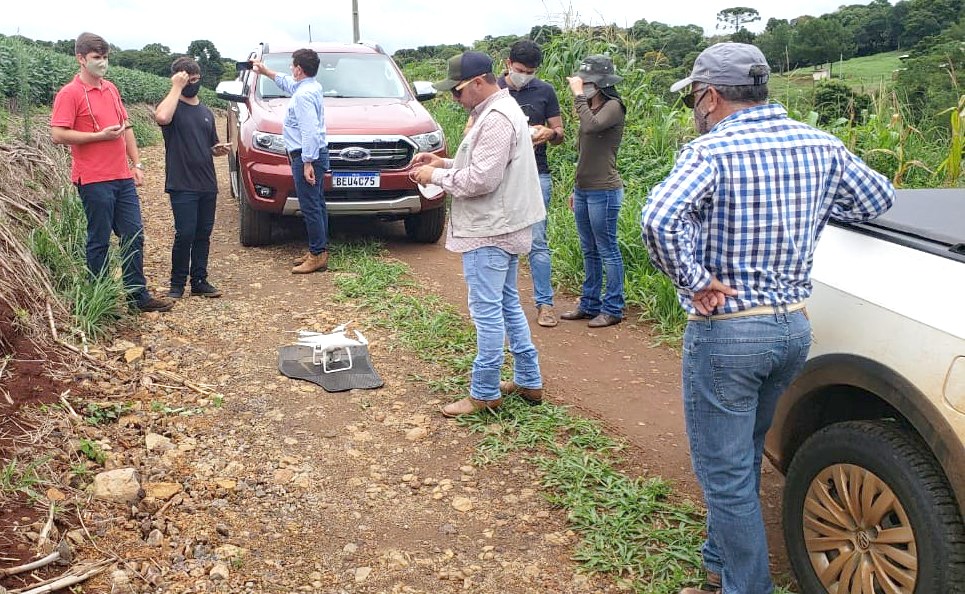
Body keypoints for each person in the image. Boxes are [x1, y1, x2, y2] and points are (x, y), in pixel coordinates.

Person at [639, 43, 895, 594]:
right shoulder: (820, 145)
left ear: (709, 95)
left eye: (694, 98)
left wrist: (695, 280)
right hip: (792, 328)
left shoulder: (711, 151)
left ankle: (744, 586)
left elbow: (659, 217)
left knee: (724, 474)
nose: (694, 109)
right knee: (746, 452)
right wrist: (815, 209)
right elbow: (878, 199)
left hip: (729, 330)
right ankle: (718, 564)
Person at [409, 51, 545, 417]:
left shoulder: (497, 117)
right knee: (507, 304)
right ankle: (528, 379)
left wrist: (434, 176)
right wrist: (443, 163)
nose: (455, 99)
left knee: (486, 312)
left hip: (491, 230)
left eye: (457, 92)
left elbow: (483, 179)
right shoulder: (498, 110)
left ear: (479, 82)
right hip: (504, 225)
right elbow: (483, 165)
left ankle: (484, 391)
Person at [50, 32, 174, 313]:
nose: (102, 63)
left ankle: (136, 296)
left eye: (105, 57)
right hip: (93, 179)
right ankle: (100, 299)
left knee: (133, 234)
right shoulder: (69, 94)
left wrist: (137, 163)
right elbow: (58, 134)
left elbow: (125, 126)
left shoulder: (111, 88)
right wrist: (98, 136)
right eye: (96, 58)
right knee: (99, 240)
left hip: (122, 177)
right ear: (81, 59)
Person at [498, 39, 565, 328]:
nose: (525, 75)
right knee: (503, 241)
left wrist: (548, 133)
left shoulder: (545, 91)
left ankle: (545, 304)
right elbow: (472, 129)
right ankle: (505, 305)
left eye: (531, 71)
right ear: (507, 64)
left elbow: (560, 132)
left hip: (538, 173)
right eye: (520, 69)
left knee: (538, 241)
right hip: (502, 175)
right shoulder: (495, 91)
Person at [560, 55, 626, 329]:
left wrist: (577, 96)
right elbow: (584, 152)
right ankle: (589, 304)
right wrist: (576, 188)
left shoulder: (614, 106)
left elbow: (591, 126)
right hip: (586, 189)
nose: (583, 86)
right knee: (589, 250)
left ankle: (613, 308)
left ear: (601, 83)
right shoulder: (589, 105)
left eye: (587, 83)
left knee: (607, 249)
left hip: (605, 190)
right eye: (581, 82)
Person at [154, 57, 228, 299]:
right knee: (184, 233)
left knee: (203, 234)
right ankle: (177, 284)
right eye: (188, 80)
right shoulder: (172, 107)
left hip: (206, 182)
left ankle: (200, 280)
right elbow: (162, 118)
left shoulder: (206, 112)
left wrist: (218, 149)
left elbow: (210, 145)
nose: (192, 84)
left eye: (196, 80)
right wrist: (176, 86)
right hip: (182, 182)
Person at [252, 49, 329, 274]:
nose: (290, 69)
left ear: (299, 69)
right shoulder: (309, 86)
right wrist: (265, 71)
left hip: (306, 156)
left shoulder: (304, 96)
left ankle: (317, 254)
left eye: (292, 65)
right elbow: (287, 83)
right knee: (317, 203)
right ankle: (319, 250)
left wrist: (307, 162)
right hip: (313, 154)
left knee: (310, 206)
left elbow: (310, 132)